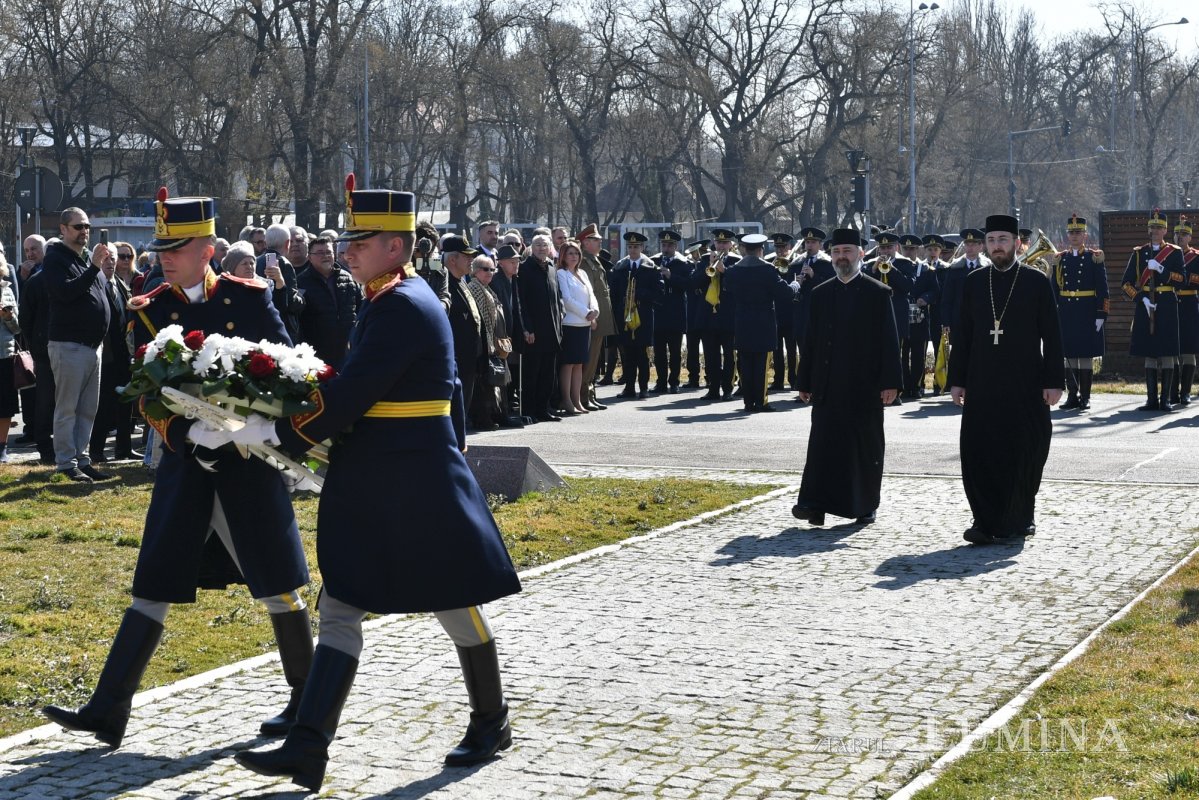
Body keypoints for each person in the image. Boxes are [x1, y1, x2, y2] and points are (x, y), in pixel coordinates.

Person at [225, 182, 521, 791]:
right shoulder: (392, 296)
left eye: (359, 241)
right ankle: (309, 747)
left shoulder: (401, 304)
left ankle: (492, 719)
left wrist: (279, 435)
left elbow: (356, 393)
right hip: (390, 470)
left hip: (408, 474)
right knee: (343, 601)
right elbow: (447, 389)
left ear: (394, 245)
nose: (348, 249)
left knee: (453, 597)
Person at [42, 191, 313, 748]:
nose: (164, 255)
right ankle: (108, 708)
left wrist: (250, 418)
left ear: (208, 249)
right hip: (188, 465)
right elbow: (148, 395)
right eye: (161, 246)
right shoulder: (150, 308)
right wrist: (187, 431)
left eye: (177, 246)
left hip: (243, 464)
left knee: (278, 585)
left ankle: (307, 700)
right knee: (153, 584)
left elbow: (289, 368)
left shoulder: (249, 297)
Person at [949, 214, 1064, 545]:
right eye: (991, 240)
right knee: (979, 450)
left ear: (1016, 243)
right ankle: (983, 521)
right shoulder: (973, 282)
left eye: (1003, 240)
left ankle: (1019, 516)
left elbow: (1052, 336)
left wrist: (1054, 380)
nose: (997, 246)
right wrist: (957, 380)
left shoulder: (1036, 282)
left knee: (1024, 449)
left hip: (1025, 383)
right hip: (982, 382)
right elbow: (964, 335)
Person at [793, 228, 902, 527]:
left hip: (864, 386)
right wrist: (804, 382)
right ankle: (815, 505)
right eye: (837, 252)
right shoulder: (820, 293)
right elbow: (810, 341)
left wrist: (890, 382)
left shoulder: (878, 293)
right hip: (827, 384)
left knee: (863, 448)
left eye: (848, 252)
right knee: (823, 447)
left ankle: (865, 505)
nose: (842, 257)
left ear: (861, 255)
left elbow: (889, 341)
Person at [41, 208, 112, 483]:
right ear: (63, 229)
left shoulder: (81, 259)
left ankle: (81, 460)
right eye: (78, 226)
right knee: (67, 408)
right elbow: (65, 293)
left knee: (87, 410)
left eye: (87, 227)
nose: (84, 231)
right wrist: (95, 266)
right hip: (68, 345)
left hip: (92, 347)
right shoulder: (56, 258)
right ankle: (65, 463)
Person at [722, 233, 799, 413]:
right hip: (763, 321)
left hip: (741, 320)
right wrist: (796, 285)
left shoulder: (733, 270)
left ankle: (748, 402)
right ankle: (761, 401)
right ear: (761, 250)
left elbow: (727, 288)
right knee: (761, 365)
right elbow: (785, 293)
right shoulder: (767, 270)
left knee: (745, 363)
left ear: (745, 249)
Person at [1121, 209, 1186, 412]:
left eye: (1159, 228)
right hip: (1146, 304)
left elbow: (1182, 280)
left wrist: (1161, 269)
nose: (1155, 231)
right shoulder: (1139, 253)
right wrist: (1141, 299)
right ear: (1148, 230)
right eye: (1152, 227)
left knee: (1166, 352)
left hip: (1166, 304)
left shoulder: (1175, 252)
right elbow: (1126, 284)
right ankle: (1151, 399)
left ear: (1165, 230)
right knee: (1149, 352)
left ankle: (1165, 399)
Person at [1052, 214, 1108, 411]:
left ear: (1085, 235)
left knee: (1085, 355)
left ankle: (1085, 397)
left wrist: (1102, 314)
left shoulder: (1093, 257)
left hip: (1087, 311)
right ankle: (1072, 396)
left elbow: (1103, 290)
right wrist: (1054, 315)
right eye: (1071, 233)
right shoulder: (1061, 259)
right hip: (1067, 312)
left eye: (1078, 232)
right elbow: (1054, 291)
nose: (1074, 236)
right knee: (1069, 355)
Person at [88, 245, 135, 463]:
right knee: (103, 406)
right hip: (104, 356)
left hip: (123, 355)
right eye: (106, 258)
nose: (110, 262)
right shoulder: (93, 284)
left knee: (125, 402)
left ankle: (123, 449)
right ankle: (96, 450)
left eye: (113, 258)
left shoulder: (121, 285)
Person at [608, 232, 665, 399]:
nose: (633, 250)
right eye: (630, 247)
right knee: (627, 353)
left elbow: (659, 294)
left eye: (636, 247)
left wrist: (640, 294)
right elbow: (614, 293)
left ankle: (644, 387)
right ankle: (629, 387)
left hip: (643, 315)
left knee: (642, 353)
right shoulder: (620, 267)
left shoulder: (651, 267)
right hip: (625, 315)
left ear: (642, 248)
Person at [515, 234, 564, 422]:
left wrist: (560, 316)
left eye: (545, 245)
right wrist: (527, 328)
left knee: (548, 374)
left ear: (550, 247)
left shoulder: (552, 267)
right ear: (531, 248)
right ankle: (530, 411)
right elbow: (522, 302)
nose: (541, 248)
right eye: (537, 245)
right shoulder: (525, 268)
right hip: (534, 332)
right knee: (531, 374)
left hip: (552, 331)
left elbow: (557, 296)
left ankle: (543, 410)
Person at [296, 236, 362, 370]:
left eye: (328, 252)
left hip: (347, 348)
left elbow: (360, 307)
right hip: (316, 350)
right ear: (310, 257)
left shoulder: (348, 278)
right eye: (320, 253)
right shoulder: (301, 282)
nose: (325, 256)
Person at [690, 229, 739, 400]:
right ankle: (713, 388)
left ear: (731, 245)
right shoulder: (704, 260)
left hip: (728, 315)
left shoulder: (737, 262)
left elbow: (738, 286)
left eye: (725, 243)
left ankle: (727, 389)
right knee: (711, 355)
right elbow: (693, 283)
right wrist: (707, 268)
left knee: (729, 356)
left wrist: (724, 270)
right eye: (719, 243)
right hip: (708, 316)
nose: (721, 246)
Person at [442, 235, 486, 419]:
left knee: (463, 409)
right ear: (452, 259)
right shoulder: (444, 286)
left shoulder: (461, 281)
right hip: (456, 357)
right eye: (467, 257)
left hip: (470, 357)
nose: (471, 260)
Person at [18, 259, 56, 463]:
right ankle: (45, 447)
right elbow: (25, 318)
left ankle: (55, 446)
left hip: (59, 347)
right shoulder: (36, 282)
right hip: (44, 350)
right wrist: (37, 343)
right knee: (45, 400)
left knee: (58, 401)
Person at [556, 239, 600, 414]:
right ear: (563, 256)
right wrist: (586, 312)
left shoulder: (582, 273)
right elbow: (566, 299)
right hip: (570, 323)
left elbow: (592, 294)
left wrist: (594, 311)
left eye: (576, 253)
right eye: (570, 253)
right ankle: (566, 400)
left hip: (584, 324)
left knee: (579, 364)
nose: (573, 256)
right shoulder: (561, 274)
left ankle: (577, 399)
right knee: (568, 363)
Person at [467, 254, 509, 430]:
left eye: (493, 269)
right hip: (482, 344)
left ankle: (489, 417)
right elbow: (481, 320)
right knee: (482, 385)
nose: (490, 272)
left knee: (488, 385)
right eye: (486, 269)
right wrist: (488, 345)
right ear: (475, 271)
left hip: (490, 342)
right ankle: (482, 420)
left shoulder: (487, 288)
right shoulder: (475, 288)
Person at [577, 224, 613, 409]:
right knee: (589, 359)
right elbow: (588, 293)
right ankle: (583, 395)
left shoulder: (595, 260)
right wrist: (592, 317)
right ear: (585, 242)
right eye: (596, 240)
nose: (600, 242)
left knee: (595, 359)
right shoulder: (584, 262)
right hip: (593, 318)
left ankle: (590, 392)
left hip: (601, 317)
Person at [652, 230, 691, 394]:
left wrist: (671, 276)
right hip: (659, 312)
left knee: (675, 351)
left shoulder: (683, 263)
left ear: (675, 246)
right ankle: (660, 382)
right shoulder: (654, 261)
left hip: (675, 313)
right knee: (659, 351)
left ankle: (674, 381)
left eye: (669, 245)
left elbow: (688, 285)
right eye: (663, 245)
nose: (665, 248)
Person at [256, 224, 306, 344]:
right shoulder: (284, 263)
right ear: (287, 243)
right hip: (282, 325)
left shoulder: (256, 261)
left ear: (266, 242)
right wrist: (302, 299)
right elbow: (290, 301)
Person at [1170, 216, 1197, 406]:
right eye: (1177, 234)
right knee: (1172, 350)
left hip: (1189, 303)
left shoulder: (1196, 256)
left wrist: (1183, 278)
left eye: (1184, 234)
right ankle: (1173, 392)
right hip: (1170, 302)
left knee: (1188, 350)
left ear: (1190, 237)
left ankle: (1186, 391)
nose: (1180, 237)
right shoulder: (1169, 254)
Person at [0, 261, 20, 463]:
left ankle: (2, 448)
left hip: (4, 355)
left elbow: (17, 328)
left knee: (5, 404)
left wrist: (8, 317)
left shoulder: (7, 291)